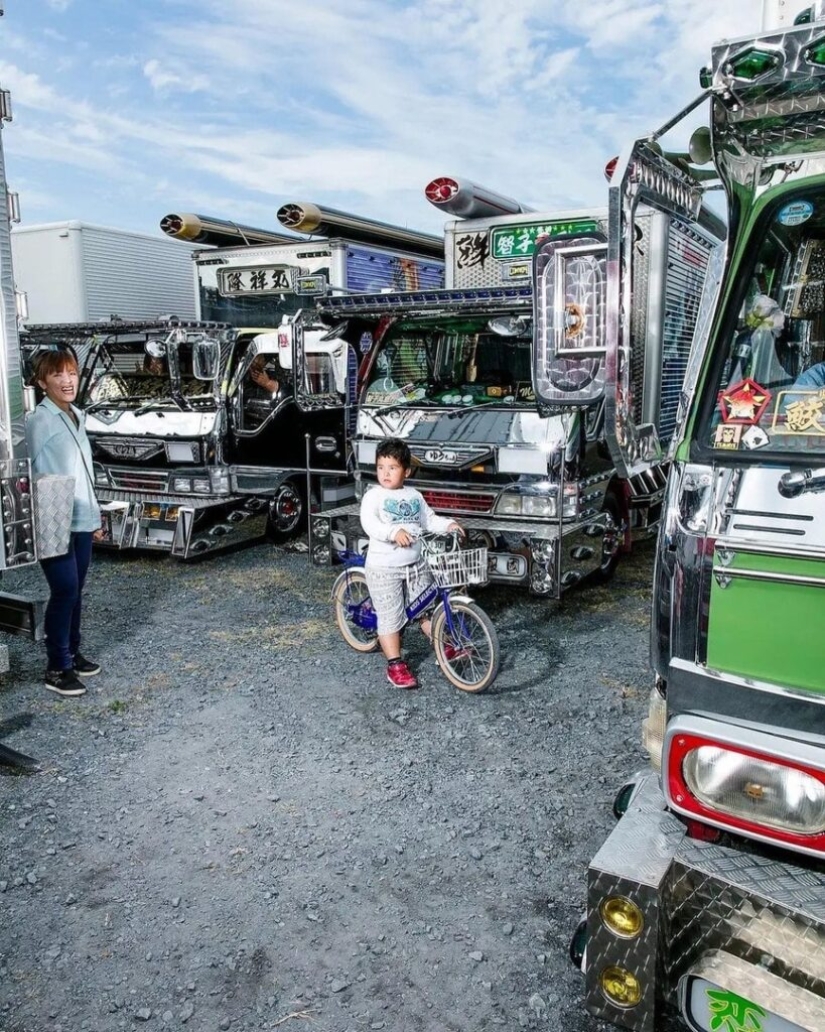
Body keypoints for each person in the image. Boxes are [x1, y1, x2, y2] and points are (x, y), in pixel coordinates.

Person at [26, 351, 103, 698]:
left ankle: (71, 651)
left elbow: (85, 472)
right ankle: (57, 667)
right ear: (42, 383)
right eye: (57, 375)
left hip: (80, 516)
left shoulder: (76, 415)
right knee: (65, 590)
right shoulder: (38, 421)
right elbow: (21, 468)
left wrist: (95, 516)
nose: (68, 380)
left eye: (71, 373)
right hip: (51, 516)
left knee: (76, 590)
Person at [359, 437, 463, 690]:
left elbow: (428, 520)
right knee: (390, 616)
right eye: (381, 467)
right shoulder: (374, 496)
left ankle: (443, 644)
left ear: (406, 470)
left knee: (424, 607)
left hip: (416, 564)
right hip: (385, 567)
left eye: (392, 468)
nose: (385, 473)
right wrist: (393, 533)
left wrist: (448, 524)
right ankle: (395, 664)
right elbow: (370, 523)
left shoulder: (414, 495)